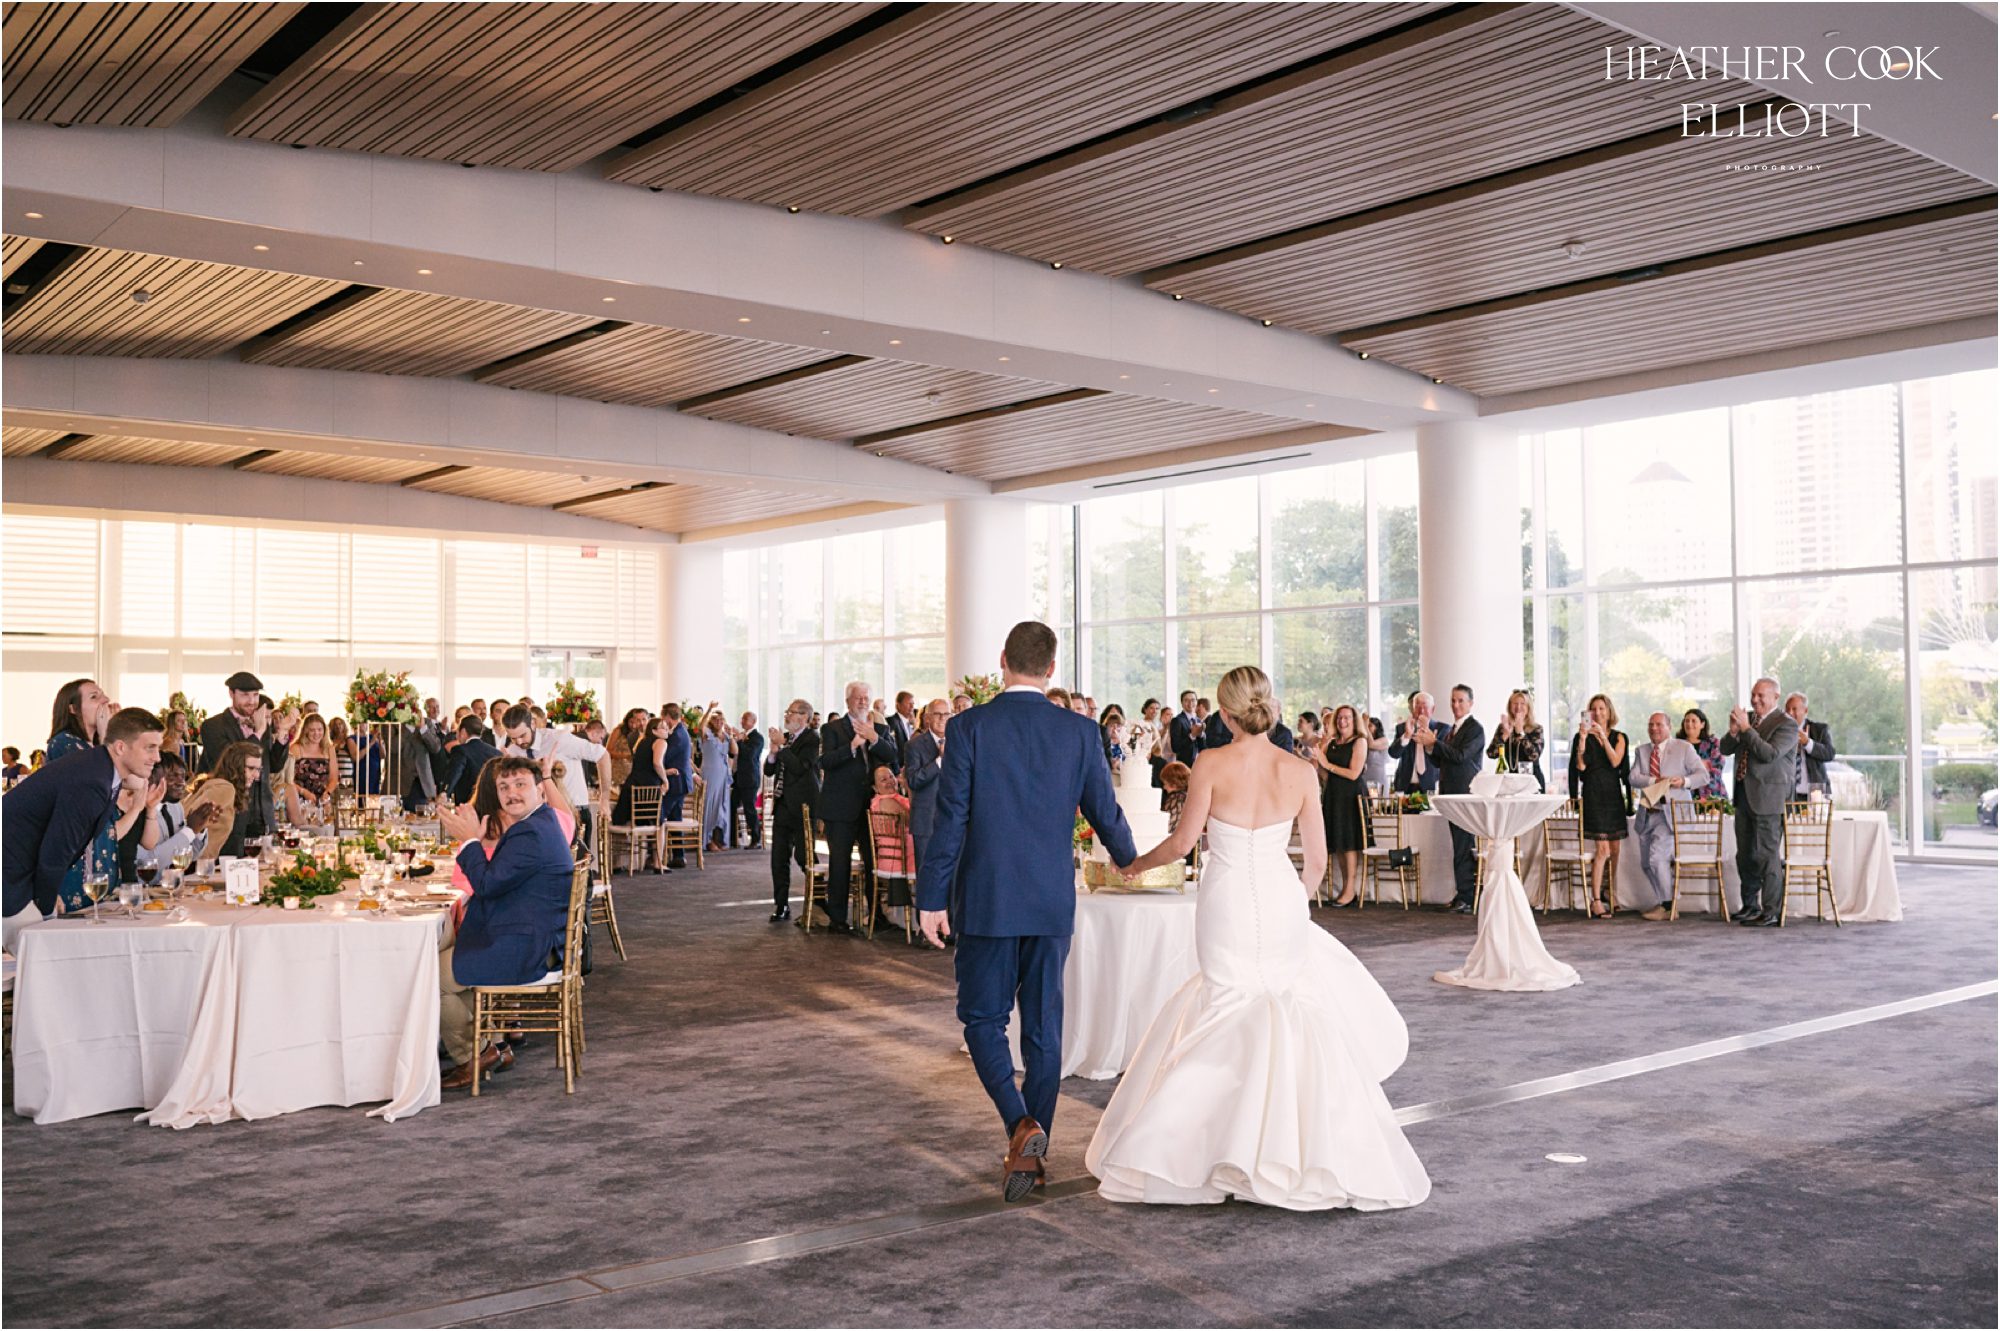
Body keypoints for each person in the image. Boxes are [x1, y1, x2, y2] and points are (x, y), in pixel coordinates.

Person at [1086, 665, 1429, 1213]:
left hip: (1224, 904)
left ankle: (1196, 1153)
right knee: (1284, 1006)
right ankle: (1292, 1153)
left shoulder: (1211, 762)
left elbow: (1180, 845)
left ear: (1224, 714)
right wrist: (1296, 899)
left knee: (1225, 1005)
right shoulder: (1298, 771)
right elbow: (1316, 861)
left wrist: (1132, 866)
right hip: (1281, 901)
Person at [917, 621, 1136, 1202]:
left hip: (988, 897)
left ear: (1003, 661)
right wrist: (1132, 862)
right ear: (1051, 669)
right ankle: (1032, 1152)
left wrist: (931, 898)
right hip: (1049, 898)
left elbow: (951, 820)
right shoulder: (1079, 731)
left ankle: (1021, 1129)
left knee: (983, 1021)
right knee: (1043, 1031)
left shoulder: (968, 727)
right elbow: (1105, 812)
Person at [436, 756, 576, 1090]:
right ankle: (492, 1046)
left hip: (524, 948)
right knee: (451, 973)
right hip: (532, 939)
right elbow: (496, 883)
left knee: (427, 976)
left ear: (540, 791)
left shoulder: (531, 833)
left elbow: (485, 885)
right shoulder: (538, 824)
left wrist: (470, 841)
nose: (511, 793)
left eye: (520, 785)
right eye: (504, 787)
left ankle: (472, 1055)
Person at [4, 708, 164, 949]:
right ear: (120, 747)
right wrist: (46, 907)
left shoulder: (99, 769)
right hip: (9, 880)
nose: (158, 757)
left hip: (17, 876)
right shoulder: (91, 781)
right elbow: (55, 854)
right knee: (46, 956)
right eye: (149, 747)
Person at [818, 682, 899, 934]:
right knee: (839, 864)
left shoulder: (880, 729)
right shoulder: (831, 729)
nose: (863, 702)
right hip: (840, 807)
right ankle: (838, 919)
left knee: (873, 862)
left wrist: (874, 739)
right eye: (858, 698)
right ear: (848, 701)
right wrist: (851, 747)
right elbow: (825, 762)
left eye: (866, 698)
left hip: (872, 808)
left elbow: (893, 757)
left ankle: (876, 915)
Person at [1720, 677, 1800, 927]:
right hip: (1743, 796)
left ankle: (1771, 911)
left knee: (1767, 855)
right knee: (1744, 855)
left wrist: (1746, 730)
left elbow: (1769, 754)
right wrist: (1734, 732)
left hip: (1770, 799)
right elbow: (1724, 749)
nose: (1754, 700)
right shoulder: (1750, 721)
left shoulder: (1786, 724)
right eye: (1753, 695)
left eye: (1760, 696)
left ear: (1776, 697)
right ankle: (1749, 906)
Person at [1628, 712, 1713, 921]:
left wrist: (1682, 781)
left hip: (1670, 814)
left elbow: (1703, 776)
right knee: (1647, 863)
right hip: (1648, 813)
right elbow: (1633, 777)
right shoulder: (1642, 751)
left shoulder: (1684, 748)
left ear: (1668, 726)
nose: (1654, 728)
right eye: (1650, 725)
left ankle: (1668, 905)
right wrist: (1655, 781)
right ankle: (1665, 902)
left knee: (1657, 859)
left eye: (1658, 724)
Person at [500, 703, 610, 852]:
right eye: (513, 738)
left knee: (577, 869)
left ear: (532, 723)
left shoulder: (559, 739)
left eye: (522, 735)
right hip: (538, 817)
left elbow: (602, 755)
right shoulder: (513, 750)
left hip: (573, 811)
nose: (519, 742)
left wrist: (604, 797)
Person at [1567, 694, 1630, 918]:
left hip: (1613, 793)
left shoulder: (1620, 737)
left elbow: (1615, 761)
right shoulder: (1580, 737)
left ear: (1609, 711)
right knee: (1601, 849)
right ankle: (1594, 900)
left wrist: (1603, 736)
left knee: (1615, 849)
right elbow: (1581, 766)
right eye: (1594, 709)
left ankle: (1610, 893)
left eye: (1602, 708)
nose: (1598, 713)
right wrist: (1583, 739)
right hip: (1593, 792)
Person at [763, 700, 821, 922]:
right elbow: (769, 770)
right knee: (779, 858)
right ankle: (781, 905)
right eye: (786, 712)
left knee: (804, 855)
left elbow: (800, 768)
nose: (787, 716)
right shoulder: (787, 741)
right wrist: (774, 751)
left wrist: (784, 749)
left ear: (804, 718)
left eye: (792, 712)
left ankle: (820, 900)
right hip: (783, 806)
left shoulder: (812, 739)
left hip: (804, 806)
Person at [1434, 685, 1487, 914]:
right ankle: (1463, 892)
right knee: (1459, 844)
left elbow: (1461, 756)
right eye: (1453, 701)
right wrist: (1430, 747)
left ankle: (1468, 895)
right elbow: (1441, 760)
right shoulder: (1451, 730)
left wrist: (1434, 744)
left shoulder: (1475, 729)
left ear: (1470, 703)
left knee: (1464, 844)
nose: (1455, 705)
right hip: (1451, 791)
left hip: (1464, 792)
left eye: (1460, 701)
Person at [1310, 704, 1369, 907]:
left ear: (1354, 721)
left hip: (1351, 796)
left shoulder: (1359, 741)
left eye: (1347, 718)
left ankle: (1350, 888)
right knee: (1339, 843)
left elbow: (1354, 773)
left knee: (1350, 842)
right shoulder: (1333, 742)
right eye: (1339, 718)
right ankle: (1346, 887)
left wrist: (1326, 764)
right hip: (1334, 794)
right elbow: (1326, 774)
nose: (1342, 722)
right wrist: (1317, 764)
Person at [612, 714, 676, 871]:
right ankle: (658, 862)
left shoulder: (642, 742)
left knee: (626, 821)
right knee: (659, 825)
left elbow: (644, 766)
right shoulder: (661, 742)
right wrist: (665, 780)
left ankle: (617, 863)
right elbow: (656, 763)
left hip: (631, 787)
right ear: (654, 730)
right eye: (663, 727)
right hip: (648, 790)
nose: (667, 729)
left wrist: (665, 772)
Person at [209, 739, 279, 858]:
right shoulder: (221, 790)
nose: (256, 776)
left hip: (233, 864)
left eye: (258, 769)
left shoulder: (242, 791)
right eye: (251, 768)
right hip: (215, 866)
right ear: (235, 765)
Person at [904, 698, 947, 876]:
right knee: (927, 874)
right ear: (928, 717)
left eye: (946, 714)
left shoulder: (960, 742)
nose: (942, 718)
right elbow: (913, 780)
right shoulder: (914, 745)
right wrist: (939, 761)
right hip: (926, 820)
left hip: (954, 819)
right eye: (937, 714)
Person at [282, 712, 338, 825]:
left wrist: (327, 794)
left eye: (319, 729)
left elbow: (334, 778)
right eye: (312, 730)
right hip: (299, 801)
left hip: (323, 802)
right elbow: (287, 779)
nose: (316, 733)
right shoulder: (295, 748)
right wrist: (304, 792)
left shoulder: (329, 749)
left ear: (324, 730)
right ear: (305, 731)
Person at [1487, 689, 1547, 792]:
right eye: (1515, 703)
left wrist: (1521, 733)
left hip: (1532, 783)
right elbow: (1491, 754)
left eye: (1522, 704)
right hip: (1511, 784)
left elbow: (1534, 755)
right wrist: (1505, 735)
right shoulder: (1503, 727)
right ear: (1510, 707)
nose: (1518, 707)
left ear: (1528, 708)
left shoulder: (1536, 728)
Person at [1387, 692, 1446, 794]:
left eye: (1425, 707)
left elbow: (1442, 757)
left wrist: (1429, 735)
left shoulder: (1442, 729)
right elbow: (1393, 753)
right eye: (1417, 706)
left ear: (1432, 709)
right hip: (1405, 786)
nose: (1421, 711)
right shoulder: (1402, 728)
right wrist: (1406, 736)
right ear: (1412, 709)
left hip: (1431, 787)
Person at [443, 714, 504, 805]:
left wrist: (444, 793)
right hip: (492, 803)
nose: (456, 736)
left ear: (463, 731)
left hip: (468, 803)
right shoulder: (497, 753)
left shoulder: (460, 750)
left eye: (457, 731)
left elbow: (454, 773)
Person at [47, 677, 111, 762]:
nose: (106, 700)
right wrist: (104, 733)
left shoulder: (95, 744)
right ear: (73, 709)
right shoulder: (63, 743)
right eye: (94, 697)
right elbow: (96, 773)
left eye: (103, 695)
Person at [1785, 692, 1836, 798]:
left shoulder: (1820, 729)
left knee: (1818, 814)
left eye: (1794, 709)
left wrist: (1807, 742)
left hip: (1816, 792)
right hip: (1789, 794)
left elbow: (1830, 754)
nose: (1790, 713)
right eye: (1787, 709)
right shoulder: (1781, 732)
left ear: (1805, 710)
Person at [699, 710, 735, 852]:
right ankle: (707, 840)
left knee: (722, 806)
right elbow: (701, 726)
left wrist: (731, 736)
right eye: (716, 720)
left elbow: (735, 752)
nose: (719, 722)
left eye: (721, 719)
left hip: (723, 774)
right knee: (710, 805)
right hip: (710, 773)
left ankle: (719, 839)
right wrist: (708, 710)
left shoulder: (725, 736)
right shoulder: (707, 734)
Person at [730, 711, 765, 850]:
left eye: (745, 718)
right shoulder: (741, 736)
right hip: (738, 778)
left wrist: (739, 740)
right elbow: (733, 753)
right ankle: (732, 838)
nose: (742, 720)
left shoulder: (757, 737)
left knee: (749, 809)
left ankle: (755, 839)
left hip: (750, 778)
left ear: (753, 721)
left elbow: (750, 755)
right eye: (742, 717)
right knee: (732, 806)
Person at [1680, 709, 1728, 801]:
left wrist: (1690, 766)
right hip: (1685, 795)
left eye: (1693, 721)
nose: (1689, 724)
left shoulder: (1713, 743)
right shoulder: (1678, 744)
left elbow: (1717, 766)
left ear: (1702, 724)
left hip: (1712, 794)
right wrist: (1702, 764)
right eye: (1687, 721)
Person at [1168, 691, 1203, 769]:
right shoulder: (1177, 720)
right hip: (1184, 766)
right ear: (1182, 703)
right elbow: (1175, 747)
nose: (1190, 703)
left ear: (1196, 702)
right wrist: (1192, 736)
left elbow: (1203, 747)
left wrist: (1202, 735)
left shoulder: (1199, 721)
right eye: (1186, 700)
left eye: (1193, 700)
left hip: (1199, 765)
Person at [886, 691, 918, 769]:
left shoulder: (911, 723)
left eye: (913, 704)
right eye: (908, 703)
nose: (912, 707)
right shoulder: (891, 721)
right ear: (898, 705)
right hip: (899, 769)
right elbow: (892, 750)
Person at [1362, 714, 1392, 791]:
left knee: (1381, 801)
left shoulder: (1384, 740)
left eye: (1370, 725)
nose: (1367, 727)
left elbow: (1372, 744)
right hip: (1366, 776)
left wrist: (1365, 724)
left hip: (1379, 776)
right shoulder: (1364, 741)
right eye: (1367, 726)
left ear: (1377, 727)